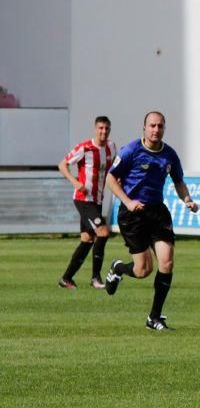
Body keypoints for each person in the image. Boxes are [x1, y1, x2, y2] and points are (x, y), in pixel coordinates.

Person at [103, 111, 198, 331]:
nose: (156, 130)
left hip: (157, 212)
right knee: (143, 270)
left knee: (167, 262)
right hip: (132, 215)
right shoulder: (131, 151)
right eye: (152, 126)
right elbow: (110, 178)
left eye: (160, 126)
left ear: (164, 128)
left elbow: (179, 181)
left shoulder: (170, 155)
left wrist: (187, 200)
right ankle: (118, 268)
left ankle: (154, 317)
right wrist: (127, 201)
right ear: (144, 128)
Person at [57, 116, 117, 289]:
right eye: (100, 128)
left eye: (106, 128)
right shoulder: (85, 147)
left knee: (87, 239)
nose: (103, 131)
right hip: (83, 200)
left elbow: (114, 170)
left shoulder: (111, 147)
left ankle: (66, 278)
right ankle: (95, 278)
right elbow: (62, 164)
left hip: (97, 200)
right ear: (95, 129)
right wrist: (75, 182)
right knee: (103, 232)